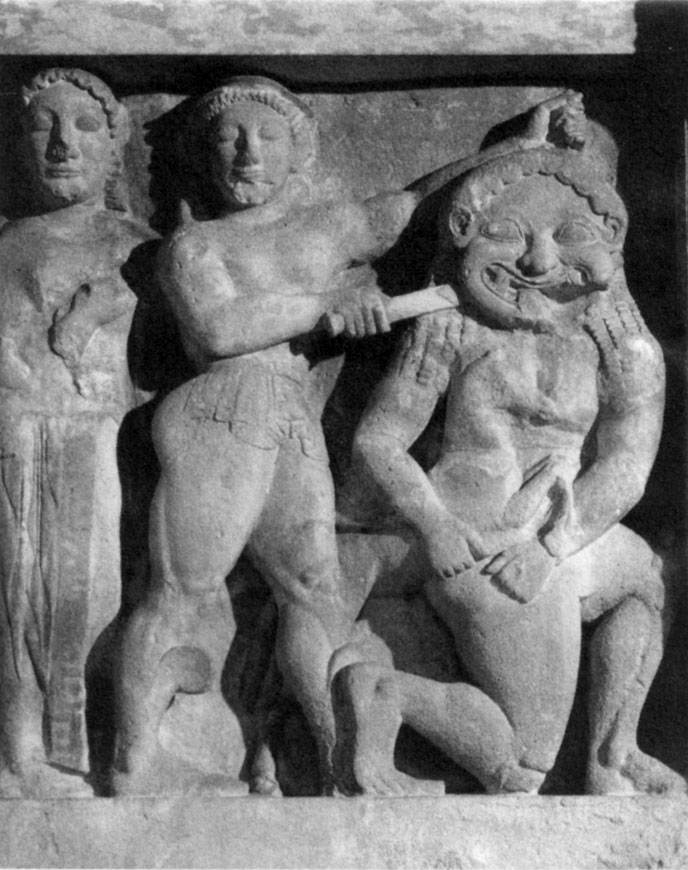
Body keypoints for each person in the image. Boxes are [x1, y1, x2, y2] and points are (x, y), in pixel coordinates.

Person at [113, 77, 580, 796]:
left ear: (298, 154)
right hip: (220, 408)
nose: (248, 153)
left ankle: (340, 765)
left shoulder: (324, 231)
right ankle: (134, 761)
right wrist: (330, 304)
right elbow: (217, 329)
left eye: (267, 137)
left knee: (314, 591)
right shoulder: (194, 246)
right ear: (205, 157)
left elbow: (410, 207)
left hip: (289, 416)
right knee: (183, 585)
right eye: (230, 138)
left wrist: (519, 146)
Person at [334, 98, 685, 796]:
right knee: (523, 769)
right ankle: (382, 691)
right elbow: (379, 440)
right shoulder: (450, 328)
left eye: (569, 235)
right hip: (477, 539)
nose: (538, 259)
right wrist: (437, 527)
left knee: (650, 577)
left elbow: (627, 466)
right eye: (508, 232)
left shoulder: (625, 346)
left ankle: (612, 756)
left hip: (553, 541)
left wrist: (552, 548)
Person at [0, 68, 152, 797]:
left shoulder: (140, 246)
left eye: (86, 127)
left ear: (115, 147)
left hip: (105, 441)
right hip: (16, 433)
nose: (63, 143)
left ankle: (78, 751)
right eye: (43, 126)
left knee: (90, 596)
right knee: (14, 592)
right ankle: (19, 752)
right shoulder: (9, 244)